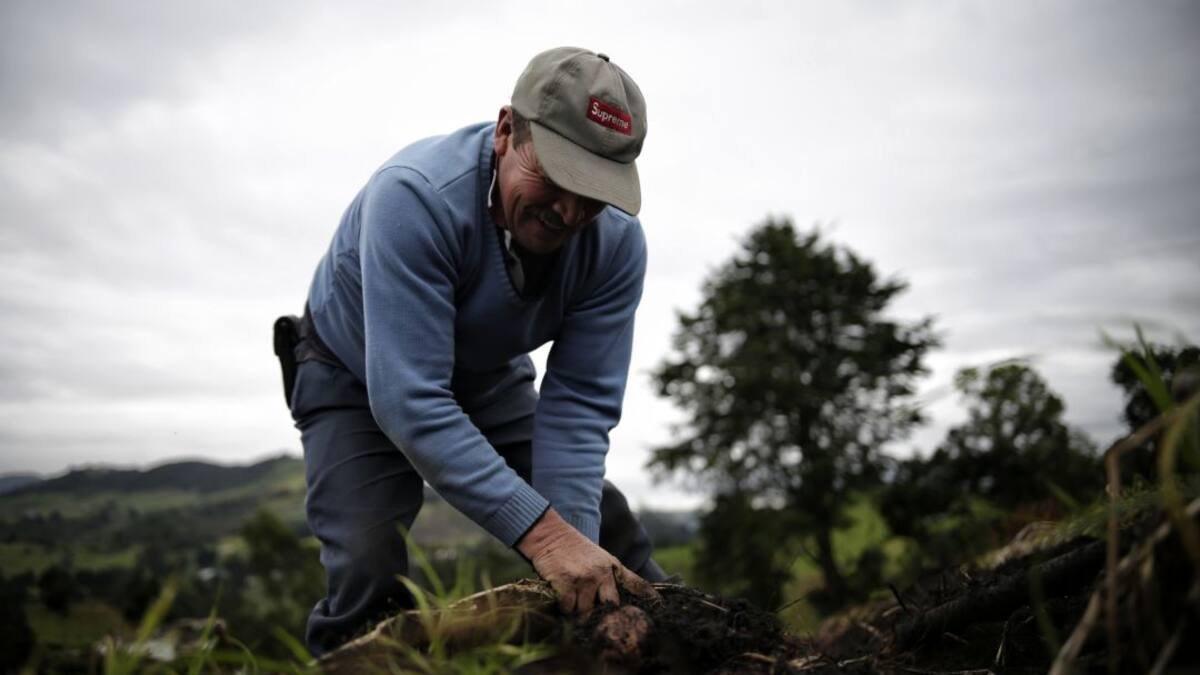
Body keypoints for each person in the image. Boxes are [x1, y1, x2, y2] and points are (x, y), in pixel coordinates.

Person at [275, 46, 665, 656]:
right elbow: (411, 399)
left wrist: (577, 563)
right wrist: (546, 540)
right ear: (508, 130)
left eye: (593, 193)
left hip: (485, 376)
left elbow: (581, 405)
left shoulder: (614, 246)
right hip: (351, 373)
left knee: (609, 539)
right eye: (558, 178)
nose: (569, 211)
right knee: (368, 561)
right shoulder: (415, 199)